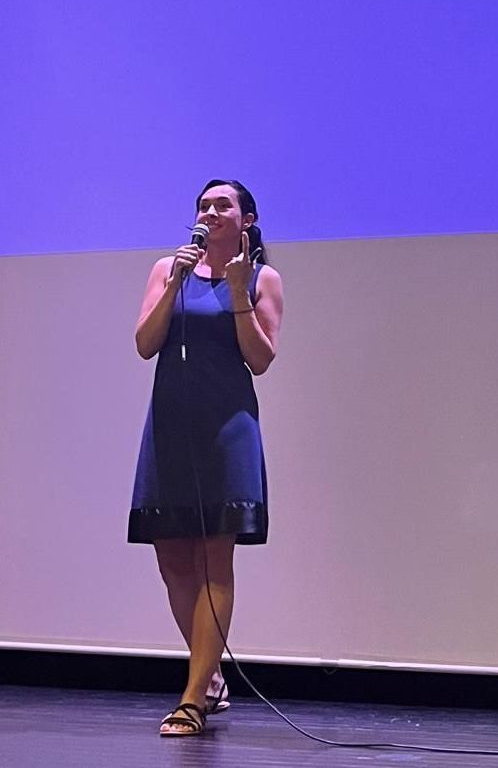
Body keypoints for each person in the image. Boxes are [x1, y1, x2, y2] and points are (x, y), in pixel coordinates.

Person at [128, 179, 284, 737]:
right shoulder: (167, 268)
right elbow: (146, 344)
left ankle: (192, 700)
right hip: (171, 426)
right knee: (172, 557)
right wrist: (173, 283)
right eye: (204, 205)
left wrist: (239, 291)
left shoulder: (263, 278)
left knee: (215, 555)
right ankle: (211, 674)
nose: (211, 212)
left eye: (223, 205)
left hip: (227, 430)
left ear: (246, 219)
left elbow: (261, 359)